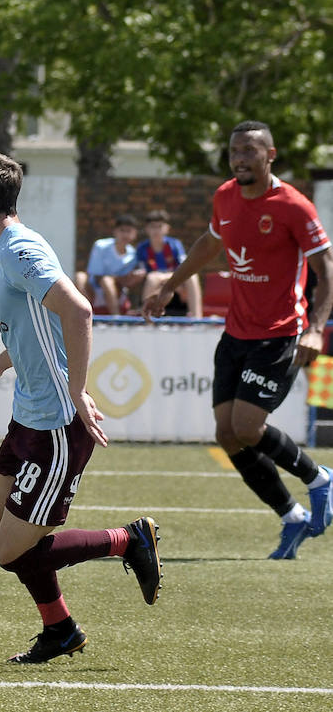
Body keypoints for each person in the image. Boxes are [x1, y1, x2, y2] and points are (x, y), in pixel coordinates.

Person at [0, 149, 162, 665]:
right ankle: (60, 630)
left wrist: (76, 391)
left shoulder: (19, 249)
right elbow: (35, 327)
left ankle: (128, 540)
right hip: (28, 415)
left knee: (11, 550)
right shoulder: (9, 247)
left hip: (55, 424)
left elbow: (79, 309)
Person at [142, 121, 333, 559]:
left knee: (248, 427)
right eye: (234, 152)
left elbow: (327, 271)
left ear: (271, 155)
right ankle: (292, 517)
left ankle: (320, 477)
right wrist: (170, 285)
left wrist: (318, 329)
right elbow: (209, 246)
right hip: (235, 333)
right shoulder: (225, 195)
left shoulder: (293, 206)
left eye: (249, 150)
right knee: (227, 435)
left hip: (280, 334)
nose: (240, 159)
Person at [132, 209, 203, 318]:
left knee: (192, 276)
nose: (156, 230)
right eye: (152, 226)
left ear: (167, 228)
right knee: (152, 278)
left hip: (174, 278)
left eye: (159, 226)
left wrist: (170, 281)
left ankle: (197, 317)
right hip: (154, 280)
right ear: (147, 229)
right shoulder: (142, 248)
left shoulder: (174, 244)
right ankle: (146, 316)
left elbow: (183, 266)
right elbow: (143, 271)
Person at [74, 214, 143, 315]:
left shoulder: (134, 255)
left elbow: (127, 283)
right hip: (93, 291)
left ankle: (116, 317)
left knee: (107, 281)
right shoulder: (101, 245)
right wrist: (118, 278)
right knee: (80, 276)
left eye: (129, 231)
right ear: (115, 231)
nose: (125, 235)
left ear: (135, 234)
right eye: (122, 230)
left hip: (116, 293)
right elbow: (96, 276)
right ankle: (84, 315)